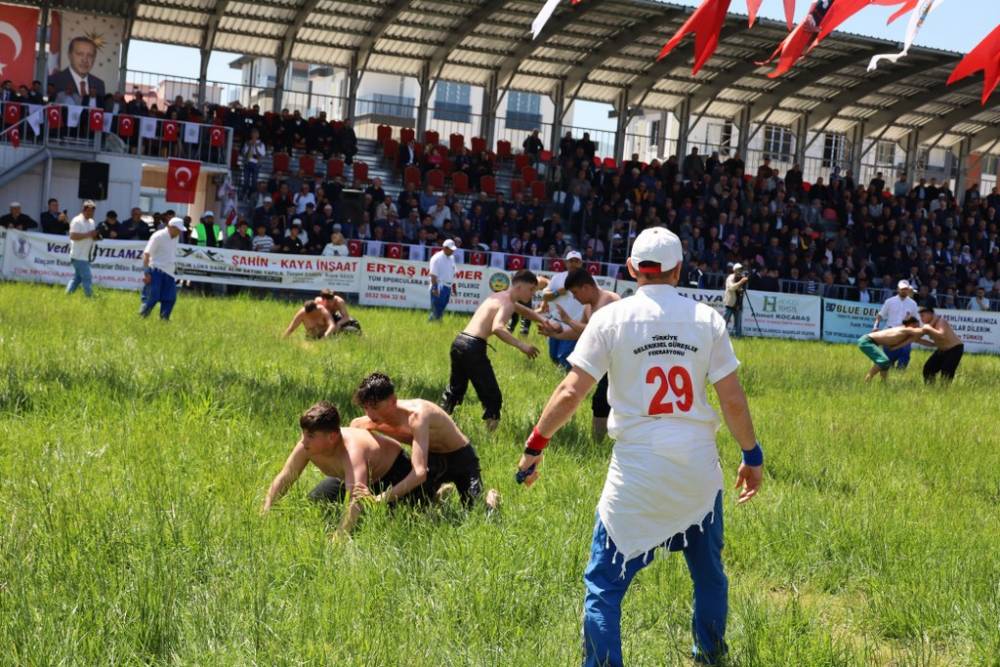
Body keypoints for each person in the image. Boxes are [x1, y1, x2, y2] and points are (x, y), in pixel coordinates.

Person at [513, 227, 763, 667]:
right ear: (679, 270)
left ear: (631, 268)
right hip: (697, 471)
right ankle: (709, 655)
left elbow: (571, 391)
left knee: (604, 585)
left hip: (637, 470)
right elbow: (732, 399)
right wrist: (751, 456)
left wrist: (535, 446)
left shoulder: (612, 318)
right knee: (708, 575)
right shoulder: (707, 319)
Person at [261, 401, 437, 538]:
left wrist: (339, 537)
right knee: (315, 505)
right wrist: (266, 510)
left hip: (396, 474)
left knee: (398, 521)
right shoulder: (307, 446)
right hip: (352, 479)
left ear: (332, 437)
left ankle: (434, 496)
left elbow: (356, 500)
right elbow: (286, 476)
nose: (304, 441)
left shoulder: (352, 453)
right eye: (304, 433)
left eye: (311, 436)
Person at [350, 372, 499, 510]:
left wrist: (379, 499)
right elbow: (354, 430)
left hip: (460, 458)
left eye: (375, 407)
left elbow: (419, 473)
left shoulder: (418, 416)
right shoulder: (370, 420)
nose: (369, 413)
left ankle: (491, 499)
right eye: (365, 407)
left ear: (393, 401)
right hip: (432, 460)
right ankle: (437, 495)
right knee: (416, 508)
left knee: (477, 512)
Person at [440, 269, 552, 431]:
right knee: (493, 397)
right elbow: (498, 328)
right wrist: (522, 346)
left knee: (454, 392)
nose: (533, 294)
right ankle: (490, 437)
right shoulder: (507, 303)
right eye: (531, 289)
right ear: (520, 286)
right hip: (473, 348)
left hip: (459, 342)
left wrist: (542, 319)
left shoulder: (501, 296)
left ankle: (437, 426)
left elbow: (522, 310)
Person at [539, 268, 620, 439]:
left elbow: (595, 330)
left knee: (612, 401)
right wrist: (554, 334)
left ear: (586, 287)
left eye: (575, 293)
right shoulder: (588, 308)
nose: (575, 298)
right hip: (607, 361)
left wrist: (568, 321)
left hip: (621, 361)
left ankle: (606, 442)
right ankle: (598, 443)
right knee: (600, 401)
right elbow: (578, 333)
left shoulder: (609, 300)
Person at [541, 250, 585, 370]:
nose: (573, 264)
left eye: (576, 261)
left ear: (581, 263)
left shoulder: (588, 280)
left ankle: (567, 383)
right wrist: (558, 292)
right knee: (553, 356)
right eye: (571, 261)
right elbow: (545, 295)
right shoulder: (558, 278)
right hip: (555, 323)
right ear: (566, 263)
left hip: (573, 326)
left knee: (564, 358)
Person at [139, 217, 185, 320]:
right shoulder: (158, 236)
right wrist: (146, 273)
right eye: (178, 230)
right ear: (170, 227)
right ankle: (142, 318)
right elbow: (146, 254)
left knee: (170, 299)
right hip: (156, 270)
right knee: (152, 297)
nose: (179, 232)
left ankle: (164, 320)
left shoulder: (175, 236)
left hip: (170, 272)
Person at [857, 316, 924, 382]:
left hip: (868, 341)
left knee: (885, 364)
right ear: (911, 324)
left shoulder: (905, 331)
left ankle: (883, 383)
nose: (917, 328)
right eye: (916, 326)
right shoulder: (905, 329)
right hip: (867, 341)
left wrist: (933, 344)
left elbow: (919, 340)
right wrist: (929, 328)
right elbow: (920, 332)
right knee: (883, 360)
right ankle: (867, 380)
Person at [872, 280, 920, 369]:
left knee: (905, 355)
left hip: (904, 333)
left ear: (908, 289)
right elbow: (880, 316)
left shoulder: (913, 304)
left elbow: (916, 321)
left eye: (905, 289)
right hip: (889, 332)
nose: (904, 291)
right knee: (887, 360)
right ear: (898, 289)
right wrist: (875, 326)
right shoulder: (889, 301)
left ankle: (900, 376)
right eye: (902, 289)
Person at [916, 307, 964, 384]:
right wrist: (921, 340)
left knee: (946, 374)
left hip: (955, 349)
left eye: (922, 316)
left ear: (930, 314)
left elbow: (941, 335)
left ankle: (943, 393)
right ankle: (930, 390)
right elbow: (919, 337)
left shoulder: (940, 321)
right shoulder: (929, 326)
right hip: (942, 350)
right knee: (928, 368)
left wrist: (929, 328)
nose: (921, 319)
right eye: (920, 316)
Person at [49, 36, 105, 101]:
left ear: (94, 58)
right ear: (69, 55)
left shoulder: (99, 84)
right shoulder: (54, 80)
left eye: (90, 55)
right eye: (80, 54)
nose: (85, 60)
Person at [66, 200, 99, 298]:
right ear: (84, 210)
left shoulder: (92, 222)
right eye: (89, 211)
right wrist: (88, 234)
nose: (91, 213)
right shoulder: (77, 221)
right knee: (87, 277)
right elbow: (72, 236)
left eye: (93, 211)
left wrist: (96, 236)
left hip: (86, 255)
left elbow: (91, 236)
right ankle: (90, 297)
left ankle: (67, 295)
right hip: (78, 255)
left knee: (77, 279)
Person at [428, 239, 457, 321]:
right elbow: (433, 274)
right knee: (437, 309)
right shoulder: (436, 258)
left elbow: (453, 272)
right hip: (439, 286)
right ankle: (433, 324)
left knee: (441, 308)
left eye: (453, 250)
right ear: (445, 248)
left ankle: (435, 323)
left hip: (448, 287)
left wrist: (454, 287)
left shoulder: (452, 258)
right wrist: (435, 288)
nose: (452, 251)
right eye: (451, 249)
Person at [723, 263, 748, 338]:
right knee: (724, 321)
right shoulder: (730, 277)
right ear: (734, 270)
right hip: (730, 303)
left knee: (738, 323)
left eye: (741, 269)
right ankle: (720, 335)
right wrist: (741, 282)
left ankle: (738, 336)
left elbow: (743, 290)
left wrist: (744, 282)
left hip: (738, 304)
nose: (740, 271)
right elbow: (731, 288)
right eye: (738, 269)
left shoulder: (742, 278)